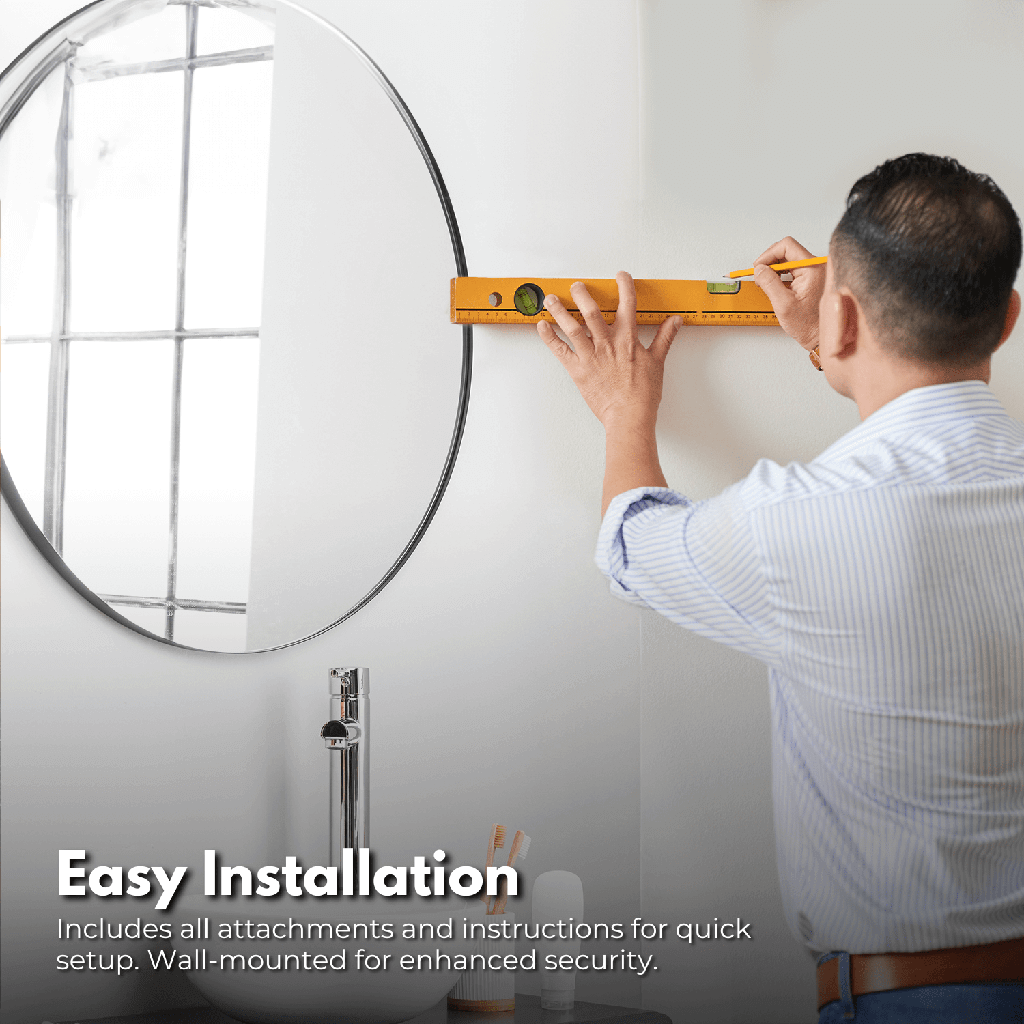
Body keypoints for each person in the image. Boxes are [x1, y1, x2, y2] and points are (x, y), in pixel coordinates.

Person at [537, 153, 1024, 1023]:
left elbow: (632, 547)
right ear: (1009, 321)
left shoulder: (794, 523)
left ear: (841, 314)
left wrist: (624, 416)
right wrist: (833, 346)